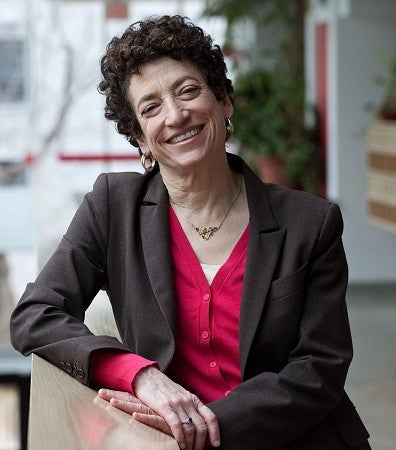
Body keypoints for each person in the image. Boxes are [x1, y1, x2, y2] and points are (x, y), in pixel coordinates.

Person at [10, 15, 370, 450]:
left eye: (188, 91)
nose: (176, 115)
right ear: (140, 139)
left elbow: (320, 367)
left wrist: (207, 424)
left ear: (223, 101)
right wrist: (137, 374)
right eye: (151, 108)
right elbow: (36, 313)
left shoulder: (310, 222)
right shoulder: (112, 206)